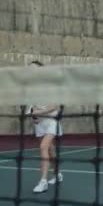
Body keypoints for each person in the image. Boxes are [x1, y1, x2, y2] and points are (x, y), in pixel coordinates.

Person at [28, 60, 64, 194]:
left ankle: (43, 182)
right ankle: (58, 174)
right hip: (40, 124)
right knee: (50, 151)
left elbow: (54, 106)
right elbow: (33, 108)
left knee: (43, 147)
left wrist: (38, 112)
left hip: (52, 121)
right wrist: (34, 117)